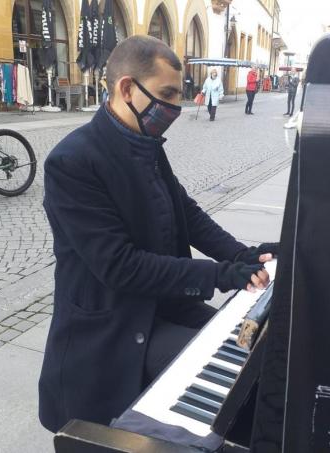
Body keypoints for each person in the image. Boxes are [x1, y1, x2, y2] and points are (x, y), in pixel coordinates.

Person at [39, 35, 278, 432]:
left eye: (179, 94)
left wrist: (240, 255)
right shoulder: (72, 161)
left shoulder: (146, 142)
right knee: (233, 386)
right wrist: (221, 275)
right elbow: (120, 267)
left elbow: (187, 212)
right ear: (127, 88)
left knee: (253, 358)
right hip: (114, 331)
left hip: (164, 308)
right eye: (167, 94)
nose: (176, 107)